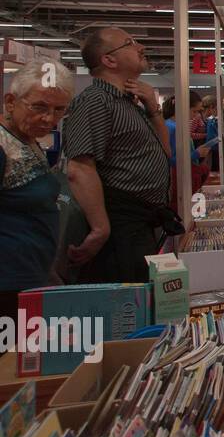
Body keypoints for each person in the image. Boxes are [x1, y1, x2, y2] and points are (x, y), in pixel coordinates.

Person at [62, 26, 171, 284]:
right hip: (119, 229)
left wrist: (154, 110)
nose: (140, 47)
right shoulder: (96, 100)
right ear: (109, 60)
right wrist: (101, 228)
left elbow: (165, 153)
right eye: (130, 43)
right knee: (127, 304)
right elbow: (79, 167)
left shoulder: (127, 102)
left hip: (139, 226)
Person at [0, 60, 73, 318]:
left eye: (59, 110)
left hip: (31, 276)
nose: (49, 119)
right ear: (11, 102)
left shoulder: (28, 139)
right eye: (39, 107)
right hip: (8, 285)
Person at [162, 93, 210, 204]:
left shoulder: (175, 126)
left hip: (183, 179)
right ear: (182, 107)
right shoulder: (172, 128)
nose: (197, 115)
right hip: (178, 182)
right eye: (195, 111)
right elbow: (170, 160)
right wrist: (196, 154)